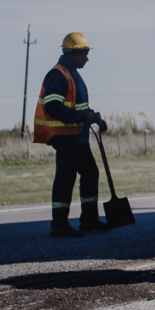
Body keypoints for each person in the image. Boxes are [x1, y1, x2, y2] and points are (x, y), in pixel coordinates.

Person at [34, 32, 109, 238]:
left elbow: (79, 106)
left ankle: (89, 220)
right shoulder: (58, 75)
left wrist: (93, 117)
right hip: (64, 136)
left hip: (77, 136)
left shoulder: (73, 74)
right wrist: (82, 117)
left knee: (90, 173)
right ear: (73, 53)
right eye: (84, 53)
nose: (87, 57)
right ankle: (58, 225)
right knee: (65, 178)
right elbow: (53, 107)